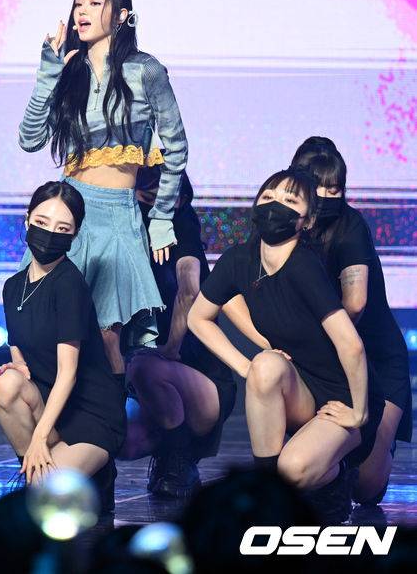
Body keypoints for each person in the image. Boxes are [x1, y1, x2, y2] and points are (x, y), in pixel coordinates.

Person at [188, 168, 384, 523]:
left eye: (289, 200)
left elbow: (351, 345)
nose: (274, 205)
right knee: (264, 364)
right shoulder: (238, 260)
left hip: (344, 396)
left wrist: (359, 412)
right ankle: (267, 497)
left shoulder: (304, 266)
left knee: (293, 471)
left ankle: (335, 479)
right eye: (268, 197)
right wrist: (246, 367)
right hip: (301, 388)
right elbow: (198, 318)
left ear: (306, 221)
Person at [18, 0, 189, 381]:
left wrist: (162, 217)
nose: (82, 11)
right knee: (53, 328)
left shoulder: (146, 70)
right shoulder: (69, 70)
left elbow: (176, 147)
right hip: (69, 211)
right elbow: (30, 139)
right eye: (79, 3)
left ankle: (109, 414)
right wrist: (48, 73)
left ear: (122, 15)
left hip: (117, 217)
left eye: (95, 3)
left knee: (107, 335)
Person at [0, 181, 126, 512]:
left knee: (44, 496)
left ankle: (94, 473)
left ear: (74, 235)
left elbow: (68, 374)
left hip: (90, 414)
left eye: (62, 229)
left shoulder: (69, 283)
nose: (49, 234)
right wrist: (16, 367)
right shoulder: (12, 287)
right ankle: (35, 468)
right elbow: (17, 348)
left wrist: (39, 437)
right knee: (5, 383)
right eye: (41, 222)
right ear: (27, 221)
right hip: (47, 405)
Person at [291, 137, 412, 505]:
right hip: (321, 360)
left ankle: (378, 448)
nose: (329, 196)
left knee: (366, 487)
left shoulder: (350, 226)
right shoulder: (285, 226)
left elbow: (355, 304)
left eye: (336, 188)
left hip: (373, 358)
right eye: (321, 187)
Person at [119, 165, 236, 498]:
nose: (149, 207)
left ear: (180, 200)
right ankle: (168, 451)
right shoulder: (126, 235)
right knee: (120, 441)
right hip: (145, 380)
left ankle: (180, 460)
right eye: (144, 197)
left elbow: (189, 290)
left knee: (146, 367)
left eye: (159, 198)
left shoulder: (183, 231)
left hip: (201, 380)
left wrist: (171, 346)